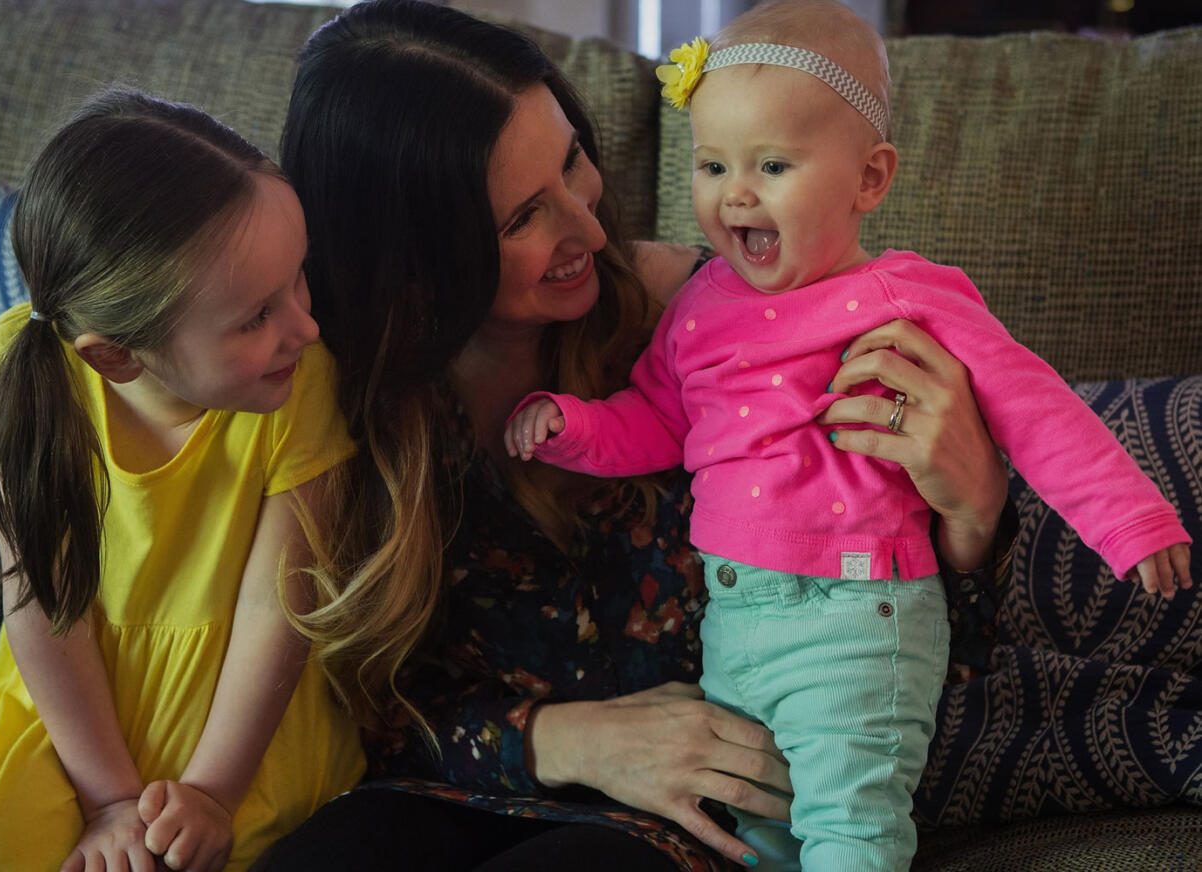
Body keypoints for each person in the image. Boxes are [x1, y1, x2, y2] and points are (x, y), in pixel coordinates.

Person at [255, 3, 1022, 870]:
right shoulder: (346, 405)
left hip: (697, 825)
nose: (588, 227)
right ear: (415, 262)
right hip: (466, 790)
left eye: (573, 159)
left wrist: (976, 512)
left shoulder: (737, 327)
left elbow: (895, 645)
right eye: (520, 220)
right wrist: (565, 741)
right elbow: (355, 706)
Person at [503, 2, 1192, 868]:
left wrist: (1130, 520)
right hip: (737, 622)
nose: (735, 194)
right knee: (755, 836)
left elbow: (1038, 407)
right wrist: (574, 427)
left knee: (851, 829)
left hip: (858, 619)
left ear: (869, 180)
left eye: (773, 165)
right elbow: (660, 423)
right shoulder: (696, 309)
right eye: (712, 164)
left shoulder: (909, 295)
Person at [0, 90, 364, 872]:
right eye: (257, 316)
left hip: (241, 729)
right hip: (70, 725)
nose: (305, 326)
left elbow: (279, 605)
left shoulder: (299, 381)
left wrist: (214, 792)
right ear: (114, 355)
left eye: (300, 280)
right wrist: (110, 800)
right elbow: (43, 605)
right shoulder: (7, 366)